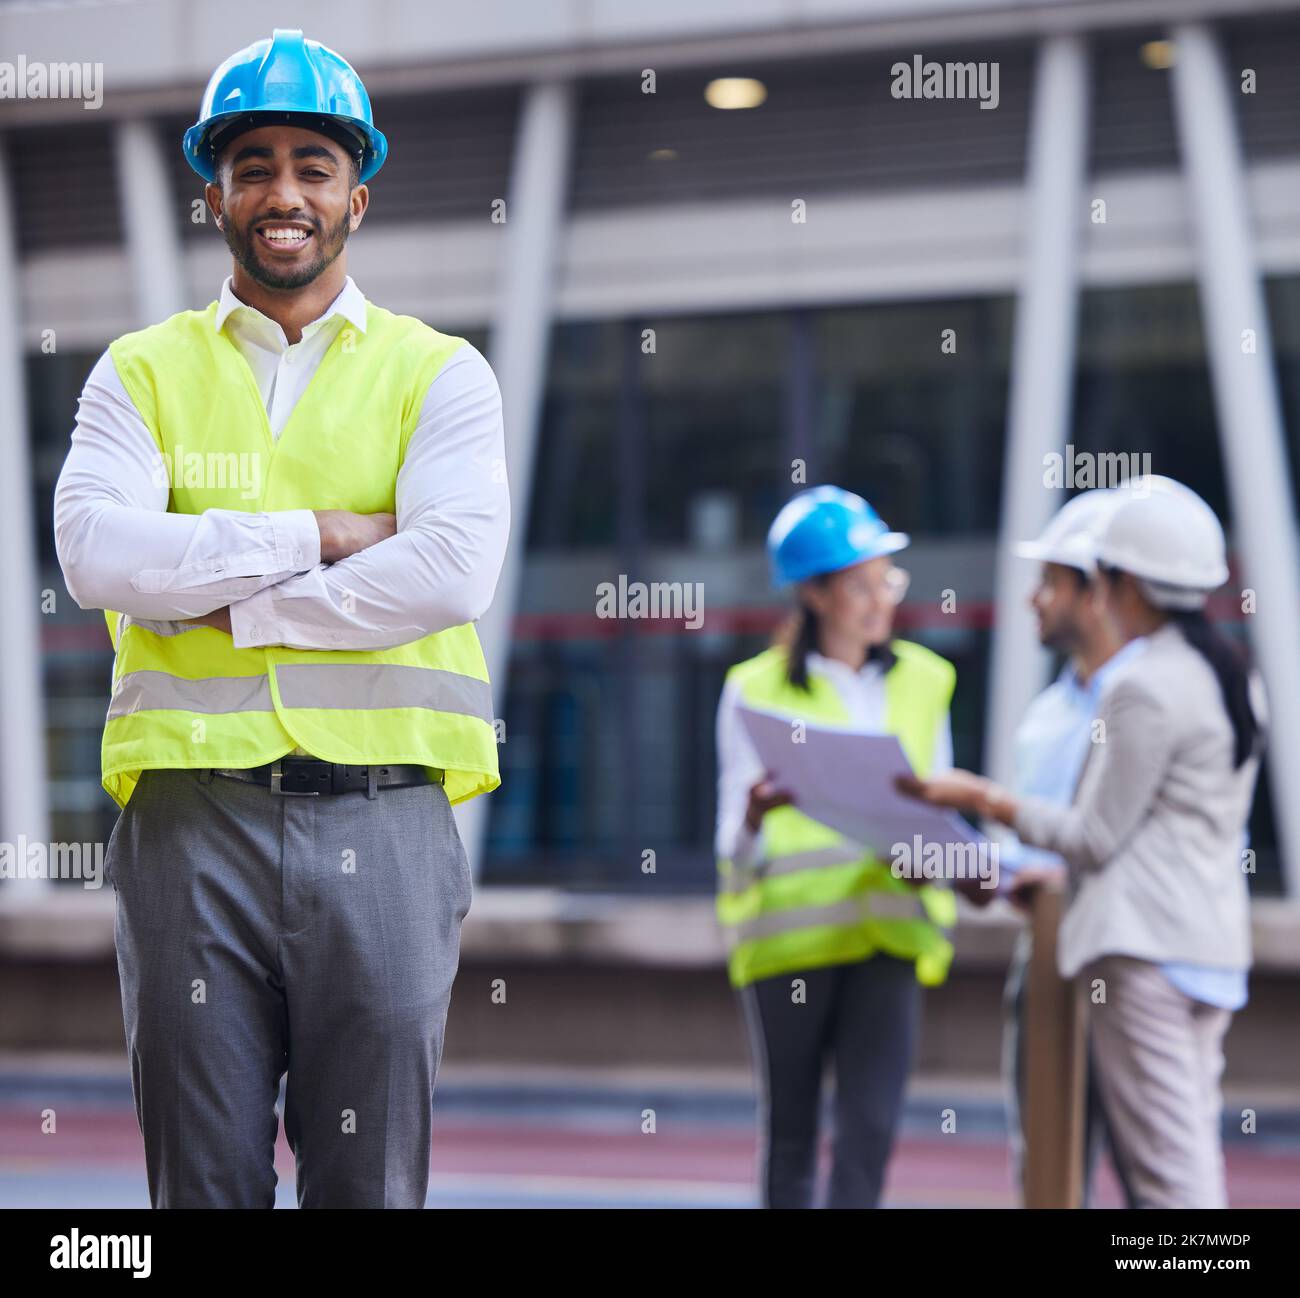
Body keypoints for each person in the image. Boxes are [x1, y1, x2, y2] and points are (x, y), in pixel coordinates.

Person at [52, 29, 509, 1208]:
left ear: (357, 191)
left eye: (313, 163)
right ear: (214, 191)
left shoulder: (439, 373)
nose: (283, 191)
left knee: (369, 1185)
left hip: (390, 819)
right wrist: (317, 533)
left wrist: (235, 609)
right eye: (253, 163)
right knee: (201, 1188)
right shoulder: (139, 373)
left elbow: (451, 570)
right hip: (190, 829)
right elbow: (99, 553)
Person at [901, 480, 1265, 1208]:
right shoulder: (1222, 677)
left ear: (1122, 585)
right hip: (1204, 949)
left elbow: (1090, 839)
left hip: (1142, 956)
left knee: (1169, 1184)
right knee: (1182, 1164)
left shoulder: (1144, 689)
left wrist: (981, 798)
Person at [714, 485, 959, 1209]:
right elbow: (732, 846)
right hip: (791, 945)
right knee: (790, 1137)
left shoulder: (927, 680)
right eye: (862, 584)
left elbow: (941, 807)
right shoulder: (752, 690)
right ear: (816, 595)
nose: (881, 598)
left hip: (890, 934)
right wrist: (756, 816)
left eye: (888, 579)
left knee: (869, 1134)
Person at [996, 487, 1138, 1208]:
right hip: (1047, 948)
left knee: (1157, 1176)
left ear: (1096, 593)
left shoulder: (1157, 698)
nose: (1033, 600)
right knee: (1048, 1172)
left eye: (1049, 582)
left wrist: (985, 803)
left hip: (1131, 957)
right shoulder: (1047, 714)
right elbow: (1049, 840)